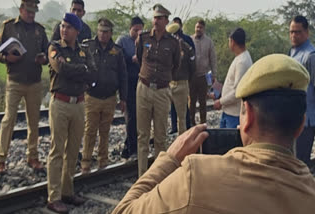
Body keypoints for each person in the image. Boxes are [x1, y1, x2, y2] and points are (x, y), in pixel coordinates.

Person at [112, 54, 315, 214]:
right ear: (300, 126)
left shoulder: (196, 177)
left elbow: (123, 211)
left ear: (249, 117)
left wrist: (171, 159)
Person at [46, 13, 97, 213]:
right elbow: (61, 68)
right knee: (57, 150)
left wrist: (78, 70)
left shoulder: (84, 51)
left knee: (73, 151)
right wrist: (81, 70)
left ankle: (67, 191)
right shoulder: (54, 48)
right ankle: (54, 196)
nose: (63, 29)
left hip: (79, 104)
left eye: (68, 27)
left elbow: (93, 73)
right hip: (61, 103)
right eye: (62, 26)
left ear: (77, 30)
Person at [0, 0, 48, 173]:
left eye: (34, 12)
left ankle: (32, 157)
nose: (32, 15)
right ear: (21, 9)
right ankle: (1, 159)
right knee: (8, 120)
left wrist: (44, 59)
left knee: (34, 122)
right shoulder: (9, 27)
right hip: (15, 81)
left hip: (34, 82)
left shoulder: (39, 30)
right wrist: (6, 58)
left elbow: (48, 53)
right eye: (29, 11)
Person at [135, 4, 180, 177]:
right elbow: (140, 58)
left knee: (160, 137)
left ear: (166, 20)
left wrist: (164, 80)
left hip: (162, 91)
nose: (156, 21)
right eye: (154, 17)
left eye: (160, 18)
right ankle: (142, 176)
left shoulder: (173, 43)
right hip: (144, 88)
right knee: (143, 137)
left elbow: (175, 66)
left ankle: (157, 176)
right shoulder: (143, 37)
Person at [81, 18, 127, 173]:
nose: (103, 34)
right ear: (97, 31)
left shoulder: (117, 50)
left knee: (105, 130)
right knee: (90, 130)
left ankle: (103, 160)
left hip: (110, 97)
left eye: (106, 32)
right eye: (100, 31)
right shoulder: (88, 46)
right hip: (92, 96)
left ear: (111, 33)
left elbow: (123, 75)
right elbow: (80, 67)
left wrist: (123, 98)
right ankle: (86, 161)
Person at [116, 17, 144, 159]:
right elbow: (117, 59)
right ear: (130, 29)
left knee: (140, 116)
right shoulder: (122, 41)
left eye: (140, 30)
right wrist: (131, 58)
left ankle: (131, 146)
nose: (138, 33)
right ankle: (131, 148)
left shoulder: (144, 41)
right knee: (131, 116)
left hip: (141, 82)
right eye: (135, 30)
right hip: (127, 82)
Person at [289, 15, 315, 167]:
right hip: (295, 116)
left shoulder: (311, 55)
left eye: (297, 32)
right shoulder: (292, 52)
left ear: (307, 32)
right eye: (291, 32)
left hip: (308, 119)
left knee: (300, 163)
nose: (294, 35)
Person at [213, 28, 252, 128]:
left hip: (234, 114)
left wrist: (220, 102)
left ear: (232, 41)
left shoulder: (242, 62)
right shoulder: (239, 58)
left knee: (230, 142)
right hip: (229, 110)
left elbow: (238, 92)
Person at [166, 23, 195, 135]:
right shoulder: (167, 48)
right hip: (169, 83)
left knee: (181, 116)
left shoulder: (187, 48)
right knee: (163, 113)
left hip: (182, 83)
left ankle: (182, 138)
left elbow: (193, 67)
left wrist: (187, 79)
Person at [190, 19, 217, 126]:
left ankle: (203, 123)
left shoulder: (209, 42)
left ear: (203, 29)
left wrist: (214, 74)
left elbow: (213, 58)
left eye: (200, 27)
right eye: (197, 27)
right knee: (191, 102)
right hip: (192, 76)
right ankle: (191, 123)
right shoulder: (190, 40)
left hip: (204, 76)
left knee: (203, 101)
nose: (198, 29)